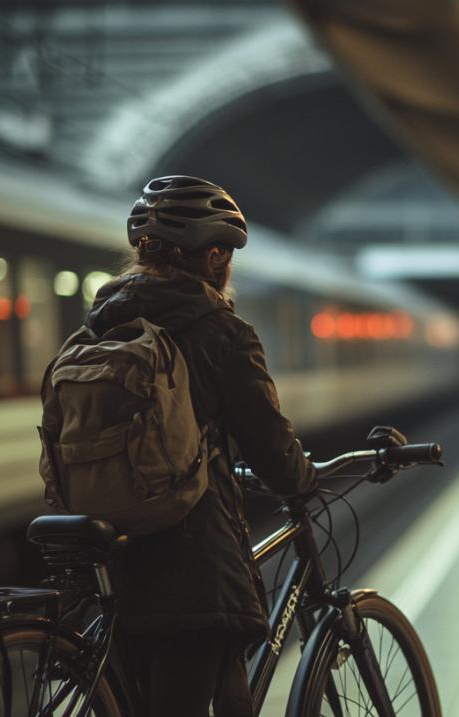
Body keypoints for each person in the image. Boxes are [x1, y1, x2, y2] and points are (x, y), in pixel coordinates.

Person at [85, 176, 316, 716]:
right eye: (227, 255)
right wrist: (305, 477)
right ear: (213, 257)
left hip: (113, 553)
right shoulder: (224, 333)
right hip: (191, 563)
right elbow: (272, 450)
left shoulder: (102, 323)